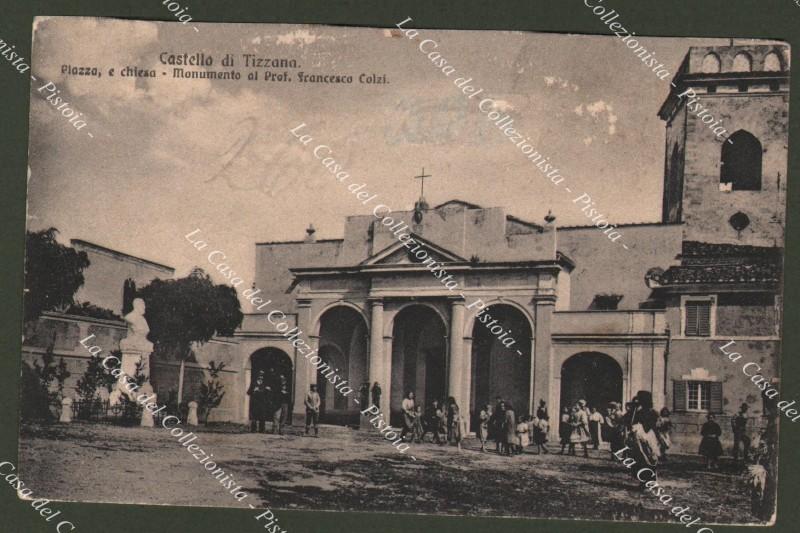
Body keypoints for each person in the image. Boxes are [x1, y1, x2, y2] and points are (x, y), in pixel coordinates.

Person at [624, 390, 661, 489]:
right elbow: (630, 421)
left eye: (640, 399)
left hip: (648, 437)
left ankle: (651, 481)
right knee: (641, 460)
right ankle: (644, 481)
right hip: (640, 438)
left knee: (649, 459)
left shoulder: (652, 412)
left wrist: (658, 439)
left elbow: (653, 426)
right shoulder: (637, 412)